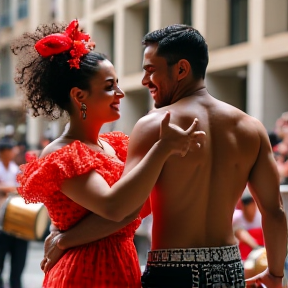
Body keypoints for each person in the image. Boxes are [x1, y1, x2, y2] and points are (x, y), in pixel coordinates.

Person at [41, 24, 287, 288]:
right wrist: (275, 273)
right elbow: (274, 211)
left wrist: (64, 239)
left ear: (181, 69)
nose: (145, 81)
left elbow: (125, 210)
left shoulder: (156, 125)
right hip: (228, 270)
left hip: (171, 272)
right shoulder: (251, 127)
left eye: (150, 70)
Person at [13, 20, 204, 288]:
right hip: (82, 272)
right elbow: (116, 208)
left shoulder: (117, 147)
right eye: (109, 86)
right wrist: (161, 150)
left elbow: (134, 209)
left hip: (121, 265)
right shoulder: (61, 153)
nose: (121, 93)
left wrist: (66, 238)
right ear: (79, 95)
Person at [0, 137, 29, 288]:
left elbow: (22, 189)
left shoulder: (14, 168)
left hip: (17, 220)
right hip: (1, 223)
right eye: (11, 150)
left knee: (17, 267)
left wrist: (8, 189)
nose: (14, 152)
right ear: (4, 152)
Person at [233, 188, 264, 260]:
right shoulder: (237, 217)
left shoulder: (261, 215)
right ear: (243, 207)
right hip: (248, 252)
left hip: (264, 249)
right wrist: (256, 247)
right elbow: (239, 233)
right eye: (247, 205)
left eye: (252, 204)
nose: (250, 208)